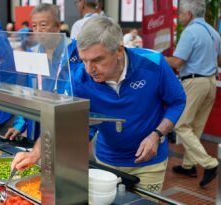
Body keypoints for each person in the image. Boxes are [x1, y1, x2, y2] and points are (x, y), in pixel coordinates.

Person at [12, 16, 187, 193]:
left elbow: (178, 101)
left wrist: (156, 135)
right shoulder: (79, 79)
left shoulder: (154, 63)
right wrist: (37, 151)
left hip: (149, 164)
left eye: (97, 60)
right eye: (84, 60)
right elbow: (62, 120)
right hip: (106, 161)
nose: (89, 69)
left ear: (119, 51)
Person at [165, 0, 221, 187]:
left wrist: (156, 56)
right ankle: (188, 165)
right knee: (196, 126)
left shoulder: (190, 31)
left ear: (189, 14)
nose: (179, 17)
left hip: (194, 82)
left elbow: (176, 63)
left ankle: (210, 163)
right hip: (211, 83)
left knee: (181, 124)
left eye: (181, 14)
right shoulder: (214, 32)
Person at [4, 3, 70, 141]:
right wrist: (19, 124)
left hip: (64, 124)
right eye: (34, 26)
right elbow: (26, 93)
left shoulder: (72, 55)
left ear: (58, 26)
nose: (38, 30)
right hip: (37, 124)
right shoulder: (32, 55)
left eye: (43, 25)